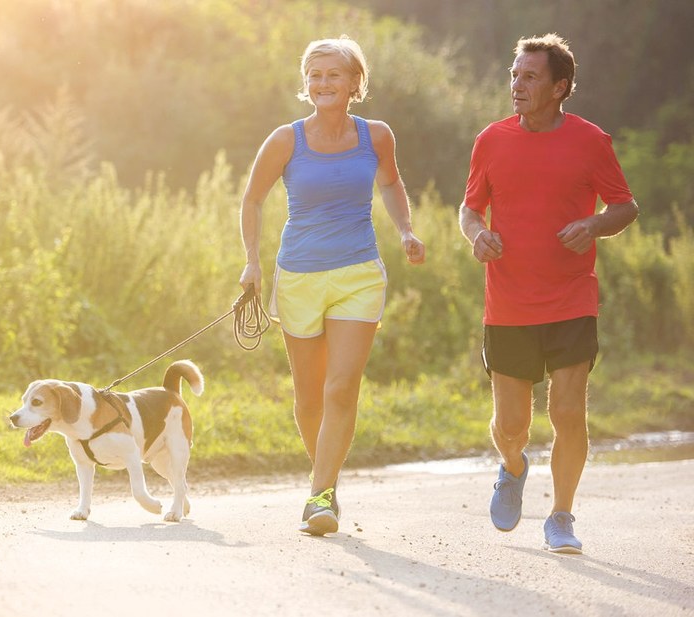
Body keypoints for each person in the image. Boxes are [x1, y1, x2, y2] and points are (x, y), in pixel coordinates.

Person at [458, 33, 639, 554]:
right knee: (511, 424)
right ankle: (513, 467)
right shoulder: (490, 140)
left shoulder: (590, 141)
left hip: (571, 298)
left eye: (530, 76)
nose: (517, 84)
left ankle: (561, 515)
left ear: (560, 87)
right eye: (515, 74)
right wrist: (477, 235)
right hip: (509, 301)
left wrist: (594, 224)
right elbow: (470, 209)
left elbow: (625, 206)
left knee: (566, 412)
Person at [238, 36, 425, 536]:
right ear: (306, 83)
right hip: (298, 275)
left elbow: (390, 182)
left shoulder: (376, 136)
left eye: (334, 75)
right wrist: (252, 264)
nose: (323, 84)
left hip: (358, 273)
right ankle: (327, 481)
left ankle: (319, 496)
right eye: (315, 75)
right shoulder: (286, 140)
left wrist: (405, 229)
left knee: (342, 386)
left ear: (354, 83)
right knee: (309, 396)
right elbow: (252, 200)